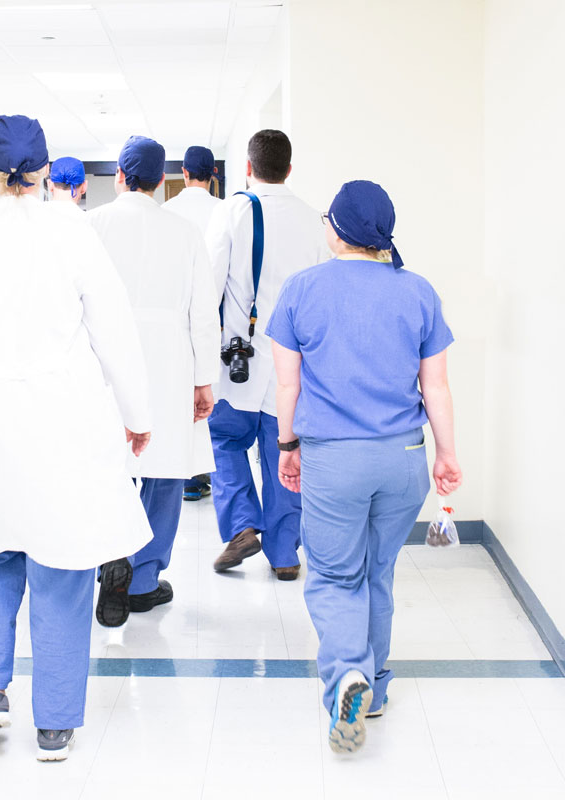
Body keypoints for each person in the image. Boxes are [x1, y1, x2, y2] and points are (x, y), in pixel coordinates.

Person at [0, 115, 154, 761]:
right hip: (61, 424)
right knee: (61, 568)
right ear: (45, 171)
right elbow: (115, 331)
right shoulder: (73, 236)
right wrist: (137, 414)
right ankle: (54, 725)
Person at [267, 179, 462, 753]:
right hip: (403, 459)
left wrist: (286, 447)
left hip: (335, 460)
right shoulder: (419, 291)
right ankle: (373, 689)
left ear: (338, 229)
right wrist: (447, 454)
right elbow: (438, 388)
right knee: (378, 573)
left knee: (333, 576)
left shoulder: (302, 289)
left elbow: (287, 384)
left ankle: (347, 673)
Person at [88, 135, 219, 625]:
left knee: (107, 465)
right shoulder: (184, 232)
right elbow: (204, 314)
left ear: (120, 177)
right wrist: (204, 380)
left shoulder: (91, 226)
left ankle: (108, 557)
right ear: (162, 181)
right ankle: (142, 581)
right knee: (164, 472)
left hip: (105, 360)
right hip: (169, 362)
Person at [206, 130, 328, 580]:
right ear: (289, 169)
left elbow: (210, 286)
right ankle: (284, 555)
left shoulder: (234, 210)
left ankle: (243, 525)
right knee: (286, 452)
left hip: (238, 362)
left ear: (249, 168)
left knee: (223, 442)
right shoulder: (315, 220)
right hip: (293, 368)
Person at [163, 145, 221, 502]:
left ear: (183, 173)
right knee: (211, 397)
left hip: (175, 320)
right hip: (213, 317)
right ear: (213, 172)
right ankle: (205, 475)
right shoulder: (226, 210)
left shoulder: (167, 212)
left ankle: (187, 477)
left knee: (179, 398)